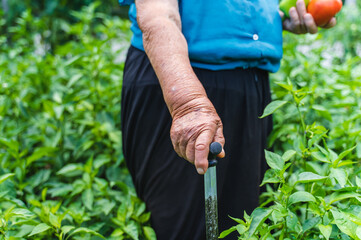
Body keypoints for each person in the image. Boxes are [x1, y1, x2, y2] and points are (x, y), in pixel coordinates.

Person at [119, 0, 336, 239]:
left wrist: (284, 12)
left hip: (251, 83)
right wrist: (187, 105)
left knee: (246, 223)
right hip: (179, 80)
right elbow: (157, 16)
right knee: (184, 229)